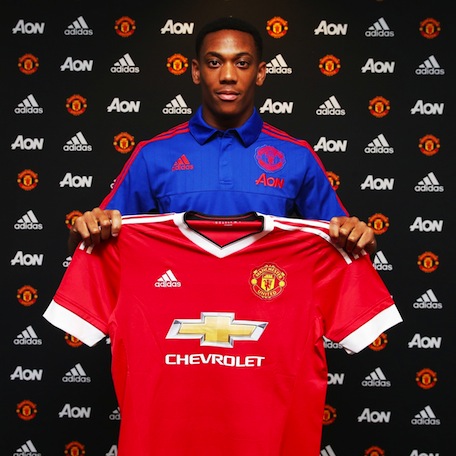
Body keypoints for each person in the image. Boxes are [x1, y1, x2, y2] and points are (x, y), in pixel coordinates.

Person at [69, 16, 376, 255]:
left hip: (267, 310)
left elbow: (347, 247)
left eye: (242, 63)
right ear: (196, 71)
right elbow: (94, 242)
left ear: (260, 73)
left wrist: (360, 237)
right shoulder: (153, 154)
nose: (228, 76)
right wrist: (85, 230)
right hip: (175, 312)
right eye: (214, 63)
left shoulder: (297, 156)